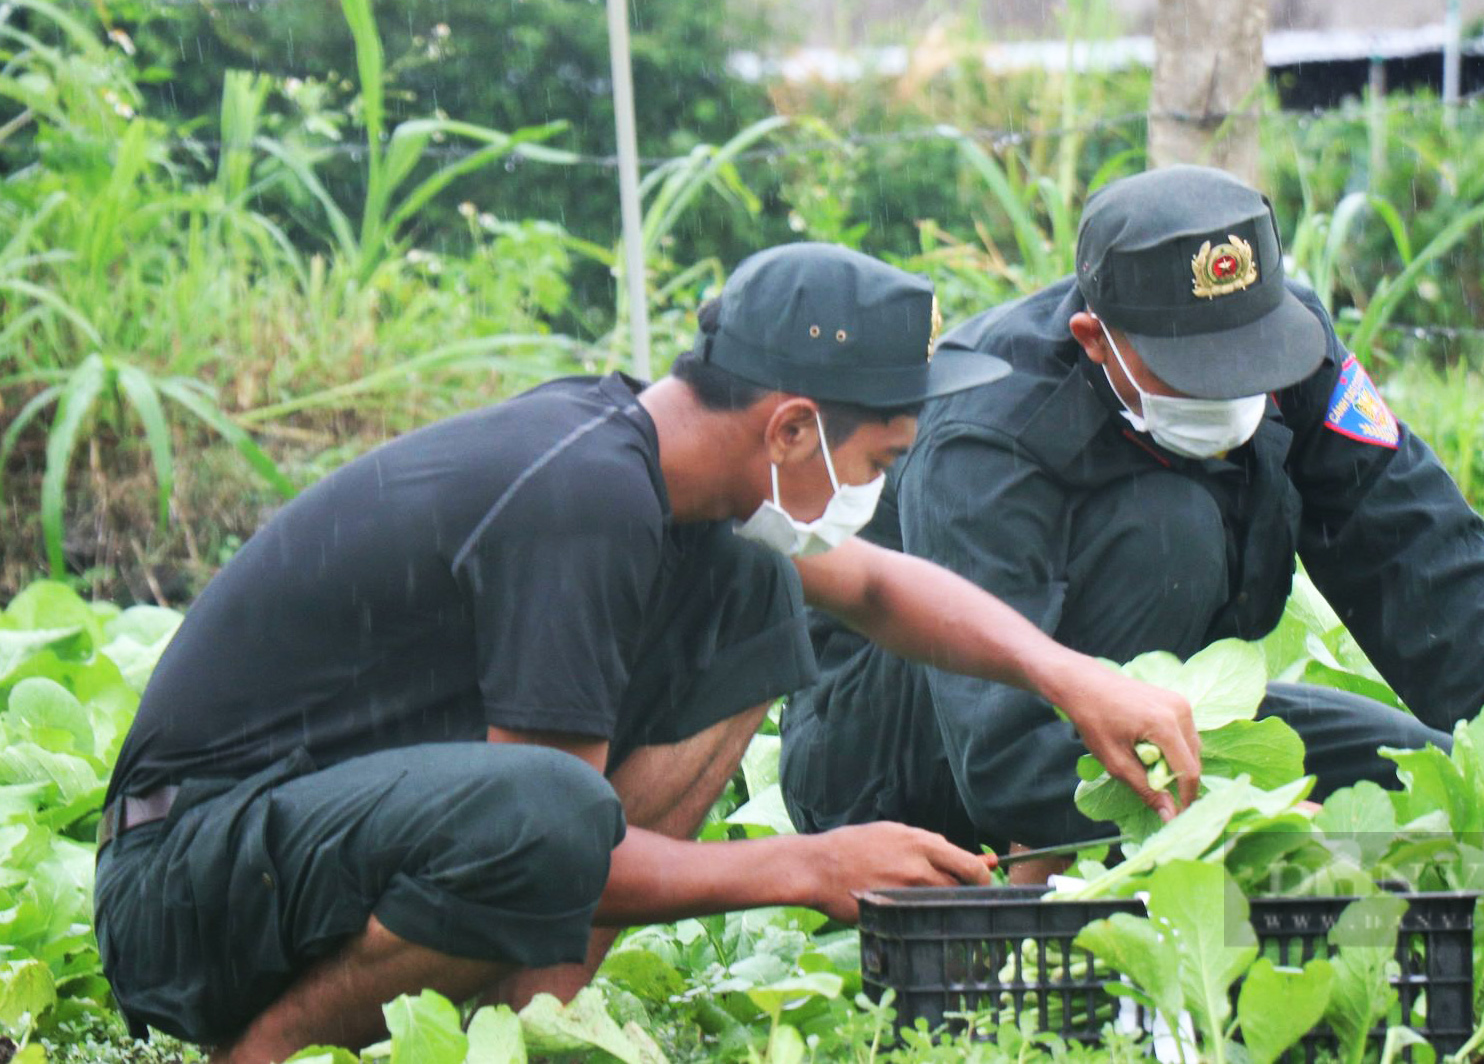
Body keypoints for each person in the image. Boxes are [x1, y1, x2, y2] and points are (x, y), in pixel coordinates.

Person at [93, 243, 1202, 1063]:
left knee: (751, 591)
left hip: (304, 839)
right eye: (881, 457)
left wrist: (1069, 675)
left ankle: (532, 1030)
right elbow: (552, 832)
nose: (881, 490)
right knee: (544, 811)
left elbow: (868, 587)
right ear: (791, 429)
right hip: (188, 882)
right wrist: (806, 866)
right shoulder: (582, 497)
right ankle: (264, 1057)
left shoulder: (655, 470)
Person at [780, 166, 1484, 883]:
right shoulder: (989, 425)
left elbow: (1421, 549)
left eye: (1253, 356)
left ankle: (1145, 833)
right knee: (1168, 526)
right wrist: (1246, 816)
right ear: (1095, 338)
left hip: (1152, 714)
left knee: (1415, 770)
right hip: (901, 762)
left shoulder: (1295, 343)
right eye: (1195, 369)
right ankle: (1064, 860)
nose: (1235, 387)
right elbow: (1000, 746)